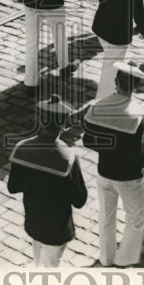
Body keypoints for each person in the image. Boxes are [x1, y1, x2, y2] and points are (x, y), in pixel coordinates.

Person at [81, 60, 144, 268]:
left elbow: (87, 140)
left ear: (116, 81)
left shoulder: (97, 106)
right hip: (128, 176)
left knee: (106, 216)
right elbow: (141, 150)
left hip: (104, 171)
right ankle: (124, 259)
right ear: (136, 86)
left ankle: (106, 258)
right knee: (137, 216)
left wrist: (109, 148)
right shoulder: (136, 112)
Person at [7, 95, 88, 268]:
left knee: (37, 262)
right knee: (51, 270)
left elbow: (13, 187)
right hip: (57, 229)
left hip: (33, 221)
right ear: (64, 125)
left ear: (40, 121)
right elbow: (79, 200)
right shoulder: (68, 158)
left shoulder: (22, 148)